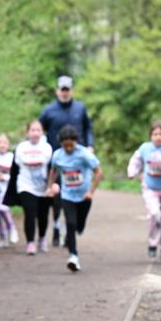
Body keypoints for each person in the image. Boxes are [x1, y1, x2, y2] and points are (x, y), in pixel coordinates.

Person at [38, 75, 94, 248]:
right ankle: (56, 229)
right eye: (62, 89)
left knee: (78, 195)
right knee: (57, 197)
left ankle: (73, 228)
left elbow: (88, 128)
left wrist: (90, 145)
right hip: (57, 160)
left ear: (72, 90)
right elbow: (39, 130)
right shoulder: (48, 111)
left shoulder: (80, 108)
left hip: (78, 161)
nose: (64, 93)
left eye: (67, 89)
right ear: (57, 91)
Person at [46, 125, 102, 272]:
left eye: (71, 145)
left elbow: (98, 172)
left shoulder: (84, 154)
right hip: (67, 195)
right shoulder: (57, 155)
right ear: (61, 144)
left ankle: (78, 228)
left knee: (79, 225)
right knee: (70, 223)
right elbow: (53, 170)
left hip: (84, 196)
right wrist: (50, 186)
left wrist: (91, 191)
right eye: (66, 146)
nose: (69, 148)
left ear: (75, 142)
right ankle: (73, 257)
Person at [127, 120, 161, 262]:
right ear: (150, 136)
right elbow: (136, 160)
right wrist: (132, 171)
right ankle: (152, 243)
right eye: (155, 134)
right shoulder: (145, 148)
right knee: (155, 214)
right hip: (150, 188)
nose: (158, 137)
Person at [10, 120, 53, 255]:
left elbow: (48, 164)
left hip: (43, 186)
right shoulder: (21, 147)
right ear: (27, 132)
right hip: (25, 184)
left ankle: (42, 238)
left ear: (42, 132)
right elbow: (21, 163)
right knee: (29, 213)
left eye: (38, 130)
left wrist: (51, 186)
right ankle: (30, 243)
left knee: (43, 215)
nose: (35, 133)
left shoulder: (47, 147)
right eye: (32, 130)